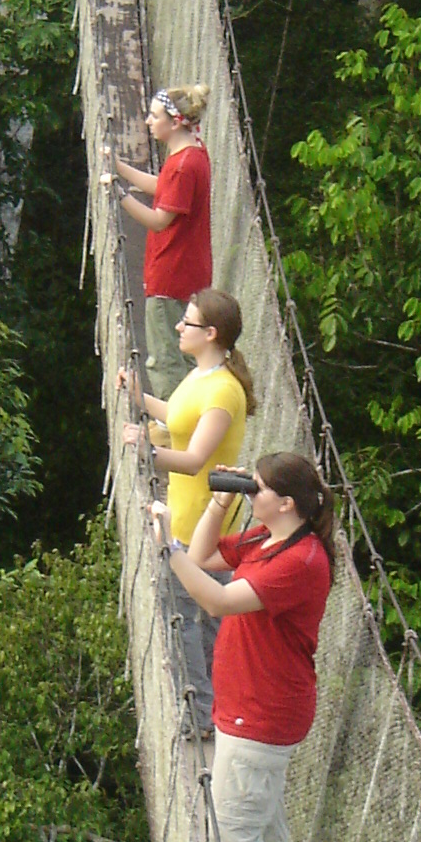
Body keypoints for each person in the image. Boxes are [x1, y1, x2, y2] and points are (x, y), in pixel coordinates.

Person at [155, 451, 336, 842]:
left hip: (261, 714)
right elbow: (209, 556)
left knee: (236, 829)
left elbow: (213, 598)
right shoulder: (267, 539)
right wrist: (219, 499)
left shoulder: (300, 561)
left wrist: (168, 545)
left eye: (253, 487)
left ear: (285, 502)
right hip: (250, 708)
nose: (248, 492)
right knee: (262, 828)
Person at [119, 289, 256, 731]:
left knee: (187, 617)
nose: (179, 326)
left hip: (204, 526)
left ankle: (200, 716)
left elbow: (196, 458)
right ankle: (214, 710)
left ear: (210, 333)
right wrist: (141, 398)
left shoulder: (223, 393)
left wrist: (145, 451)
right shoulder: (202, 376)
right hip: (185, 516)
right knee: (203, 619)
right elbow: (177, 418)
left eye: (188, 322)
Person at [102, 84, 211, 397]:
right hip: (191, 273)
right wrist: (119, 167)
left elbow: (160, 220)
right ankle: (186, 421)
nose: (148, 121)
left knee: (165, 359)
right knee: (190, 358)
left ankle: (170, 425)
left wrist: (118, 195)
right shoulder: (193, 152)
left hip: (170, 276)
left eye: (154, 115)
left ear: (175, 122)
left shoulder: (182, 165)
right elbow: (162, 187)